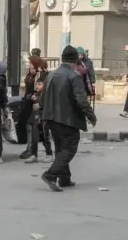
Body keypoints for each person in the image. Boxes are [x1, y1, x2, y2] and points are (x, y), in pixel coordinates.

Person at [40, 45, 97, 192]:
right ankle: (51, 174)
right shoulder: (74, 76)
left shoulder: (51, 75)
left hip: (51, 117)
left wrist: (43, 114)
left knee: (61, 147)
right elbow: (81, 100)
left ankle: (65, 178)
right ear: (75, 61)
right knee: (70, 146)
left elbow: (42, 97)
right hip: (67, 118)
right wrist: (91, 115)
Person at [23, 78, 52, 164]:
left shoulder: (46, 94)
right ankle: (34, 155)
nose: (37, 86)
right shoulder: (36, 93)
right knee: (34, 137)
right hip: (35, 118)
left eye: (39, 84)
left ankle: (49, 154)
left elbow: (46, 104)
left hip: (43, 118)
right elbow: (28, 98)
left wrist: (38, 103)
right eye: (36, 84)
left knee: (44, 137)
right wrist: (31, 98)